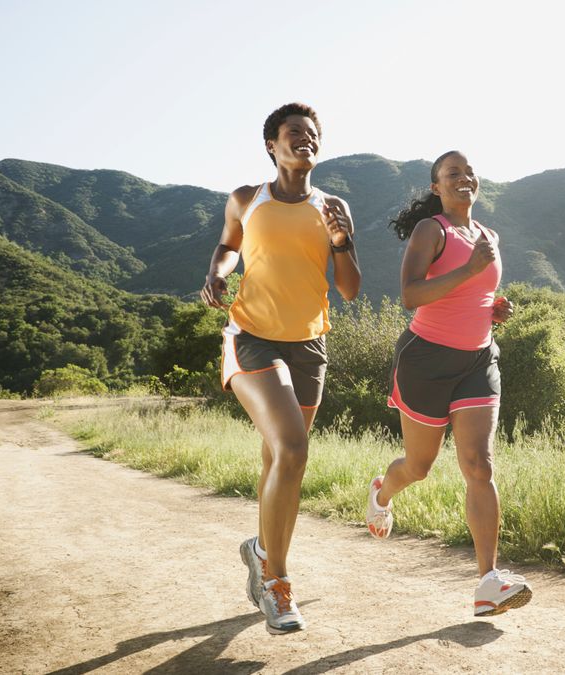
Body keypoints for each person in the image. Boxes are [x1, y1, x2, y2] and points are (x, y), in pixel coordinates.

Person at [200, 102, 361, 634]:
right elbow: (228, 246)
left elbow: (350, 288)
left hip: (309, 344)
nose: (305, 139)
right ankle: (276, 582)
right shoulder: (248, 199)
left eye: (312, 134)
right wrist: (218, 274)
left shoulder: (333, 206)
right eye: (294, 133)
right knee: (293, 449)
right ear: (272, 145)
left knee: (279, 461)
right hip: (253, 337)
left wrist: (344, 241)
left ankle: (260, 550)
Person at [368, 150, 531, 617]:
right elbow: (410, 295)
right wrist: (469, 271)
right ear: (437, 187)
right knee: (418, 467)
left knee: (479, 465)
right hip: (425, 360)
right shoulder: (431, 230)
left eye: (469, 172)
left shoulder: (488, 235)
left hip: (479, 359)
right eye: (452, 173)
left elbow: (474, 293)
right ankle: (382, 492)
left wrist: (494, 308)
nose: (464, 178)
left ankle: (488, 582)